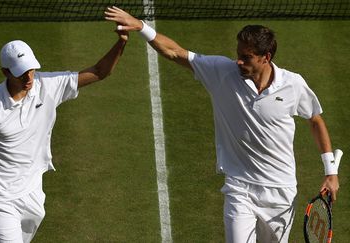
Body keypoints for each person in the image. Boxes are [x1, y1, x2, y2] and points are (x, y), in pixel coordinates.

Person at [105, 6, 341, 242]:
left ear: (266, 57)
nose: (238, 61)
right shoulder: (221, 72)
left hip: (280, 193)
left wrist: (330, 172)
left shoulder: (293, 84)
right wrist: (141, 27)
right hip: (240, 188)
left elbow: (314, 119)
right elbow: (175, 52)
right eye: (238, 54)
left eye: (246, 57)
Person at [0, 26, 128, 242]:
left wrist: (121, 42)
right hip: (0, 199)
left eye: (31, 69)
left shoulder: (48, 86)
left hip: (33, 194)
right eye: (21, 72)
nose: (28, 77)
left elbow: (99, 71)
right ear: (5, 72)